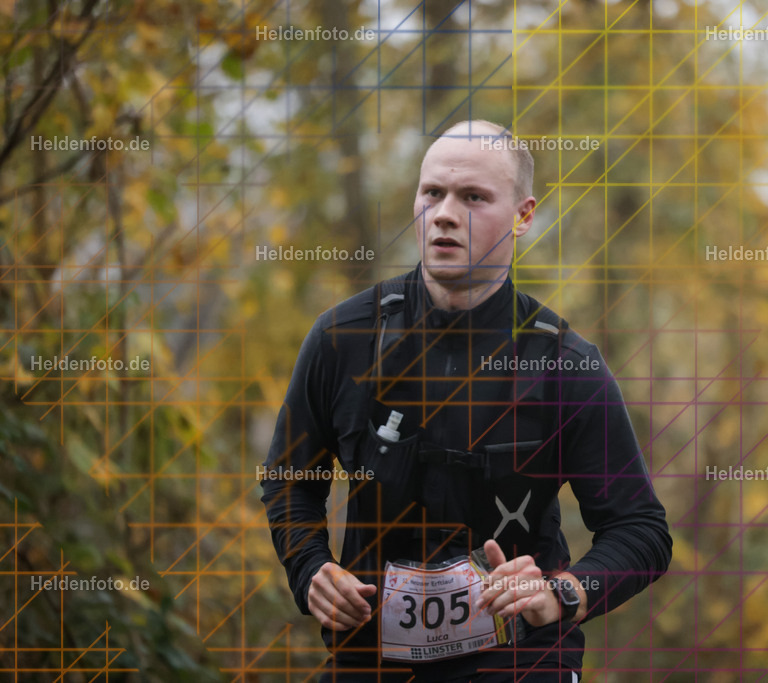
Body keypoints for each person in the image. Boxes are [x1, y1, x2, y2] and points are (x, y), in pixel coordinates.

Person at [261, 120, 672, 682]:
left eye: (474, 197)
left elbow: (641, 531)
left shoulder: (565, 364)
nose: (445, 213)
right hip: (371, 661)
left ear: (523, 216)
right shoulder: (343, 338)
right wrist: (310, 567)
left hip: (522, 663)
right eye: (432, 193)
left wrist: (565, 593)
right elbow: (287, 479)